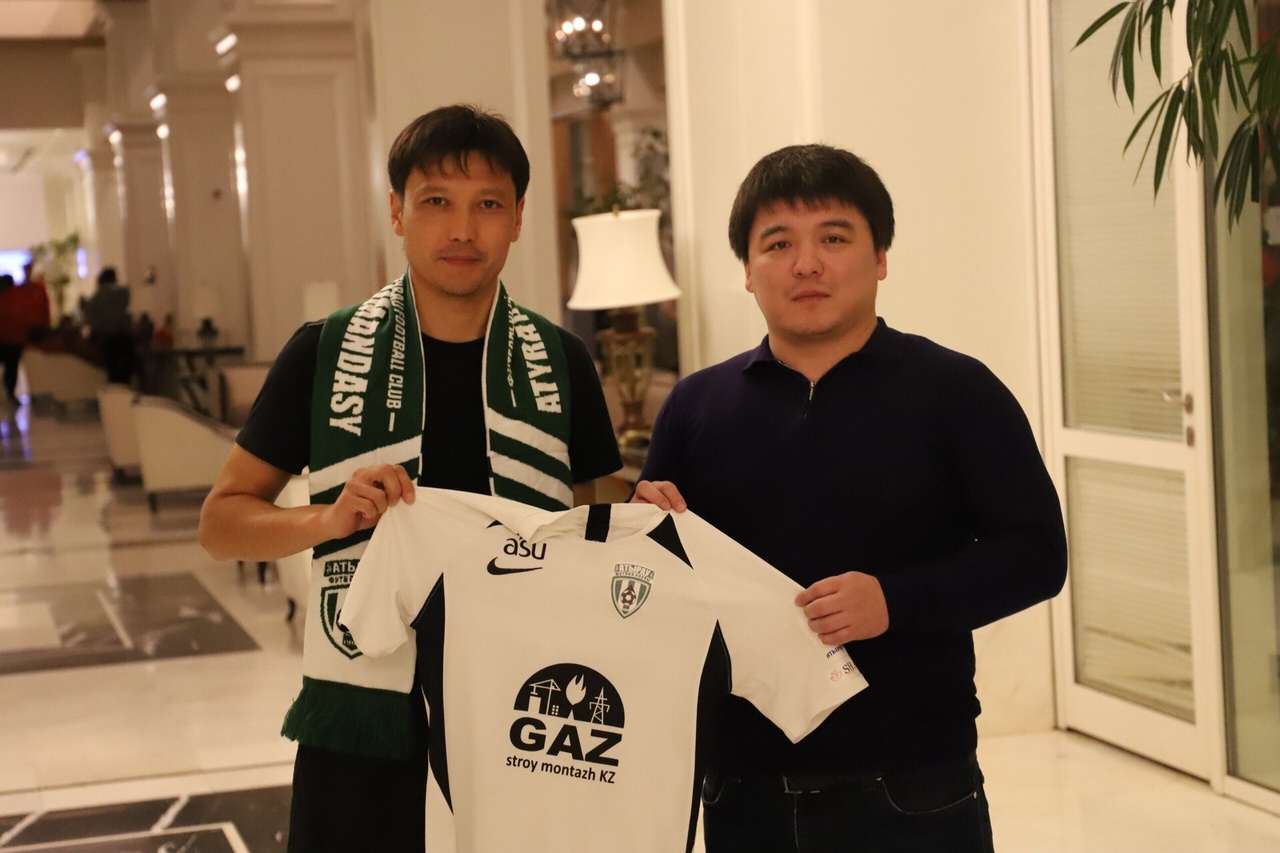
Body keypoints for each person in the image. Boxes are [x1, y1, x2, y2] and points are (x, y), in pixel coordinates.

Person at [198, 104, 622, 853]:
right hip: (367, 726)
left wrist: (647, 512)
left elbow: (594, 528)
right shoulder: (324, 353)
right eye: (436, 202)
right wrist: (327, 519)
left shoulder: (561, 363)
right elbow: (221, 522)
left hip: (524, 719)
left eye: (488, 205)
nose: (462, 230)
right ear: (396, 212)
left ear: (518, 218)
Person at [632, 144, 1068, 852]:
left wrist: (893, 601)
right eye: (778, 243)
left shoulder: (958, 391)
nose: (806, 264)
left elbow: (1037, 556)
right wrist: (642, 529)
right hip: (742, 788)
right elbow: (661, 591)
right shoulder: (695, 405)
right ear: (747, 269)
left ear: (881, 256)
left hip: (914, 785)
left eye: (833, 238)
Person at [81, 267, 135, 384]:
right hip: (125, 337)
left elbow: (89, 318)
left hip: (108, 338)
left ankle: (115, 391)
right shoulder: (124, 293)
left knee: (113, 371)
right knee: (127, 370)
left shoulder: (97, 297)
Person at [0, 274, 22, 409]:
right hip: (13, 341)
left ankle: (9, 394)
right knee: (12, 370)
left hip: (7, 340)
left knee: (11, 369)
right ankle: (10, 394)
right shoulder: (16, 299)